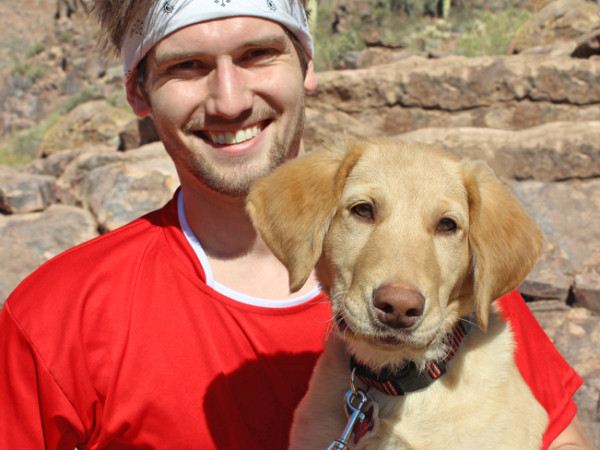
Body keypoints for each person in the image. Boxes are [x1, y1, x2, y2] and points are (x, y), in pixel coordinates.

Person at [0, 0, 593, 448]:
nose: (229, 99)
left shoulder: (460, 299)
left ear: (306, 65)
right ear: (138, 91)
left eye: (258, 54)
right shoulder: (57, 320)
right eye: (188, 65)